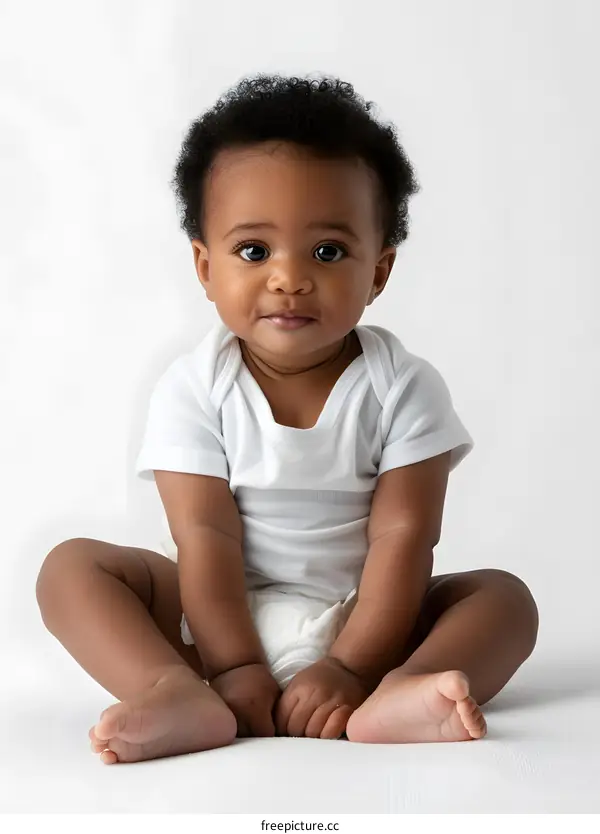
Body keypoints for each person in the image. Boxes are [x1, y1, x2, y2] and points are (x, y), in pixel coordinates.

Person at [36, 75, 539, 765]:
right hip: (211, 626)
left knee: (504, 601)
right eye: (254, 251)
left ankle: (402, 690)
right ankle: (174, 687)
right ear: (205, 267)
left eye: (328, 252)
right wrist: (237, 665)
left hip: (369, 617)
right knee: (69, 570)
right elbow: (205, 536)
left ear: (379, 271)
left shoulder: (403, 387)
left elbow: (403, 539)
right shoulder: (193, 389)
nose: (289, 278)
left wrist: (354, 666)